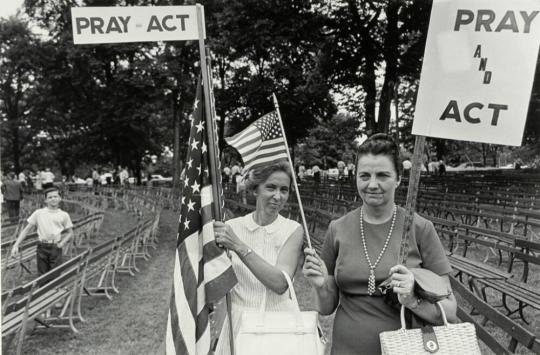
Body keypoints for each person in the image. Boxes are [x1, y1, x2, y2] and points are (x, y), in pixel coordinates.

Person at [303, 134, 457, 355]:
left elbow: (450, 311)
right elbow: (326, 308)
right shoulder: (338, 228)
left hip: (405, 350)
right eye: (364, 175)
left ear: (398, 178)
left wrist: (413, 300)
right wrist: (319, 286)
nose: (372, 184)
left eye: (382, 175)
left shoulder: (420, 229)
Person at [213, 162, 304, 354]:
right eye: (271, 187)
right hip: (239, 321)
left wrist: (238, 246)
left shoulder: (292, 230)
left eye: (284, 190)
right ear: (255, 189)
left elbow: (280, 283)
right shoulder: (232, 227)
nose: (277, 196)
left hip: (277, 324)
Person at [11, 187, 73, 277]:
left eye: (55, 196)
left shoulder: (64, 215)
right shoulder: (38, 213)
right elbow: (26, 229)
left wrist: (62, 243)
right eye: (50, 197)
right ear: (45, 200)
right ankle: (43, 289)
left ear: (60, 198)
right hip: (42, 246)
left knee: (55, 274)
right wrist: (16, 245)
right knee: (42, 275)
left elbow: (70, 232)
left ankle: (53, 290)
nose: (53, 199)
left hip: (56, 247)